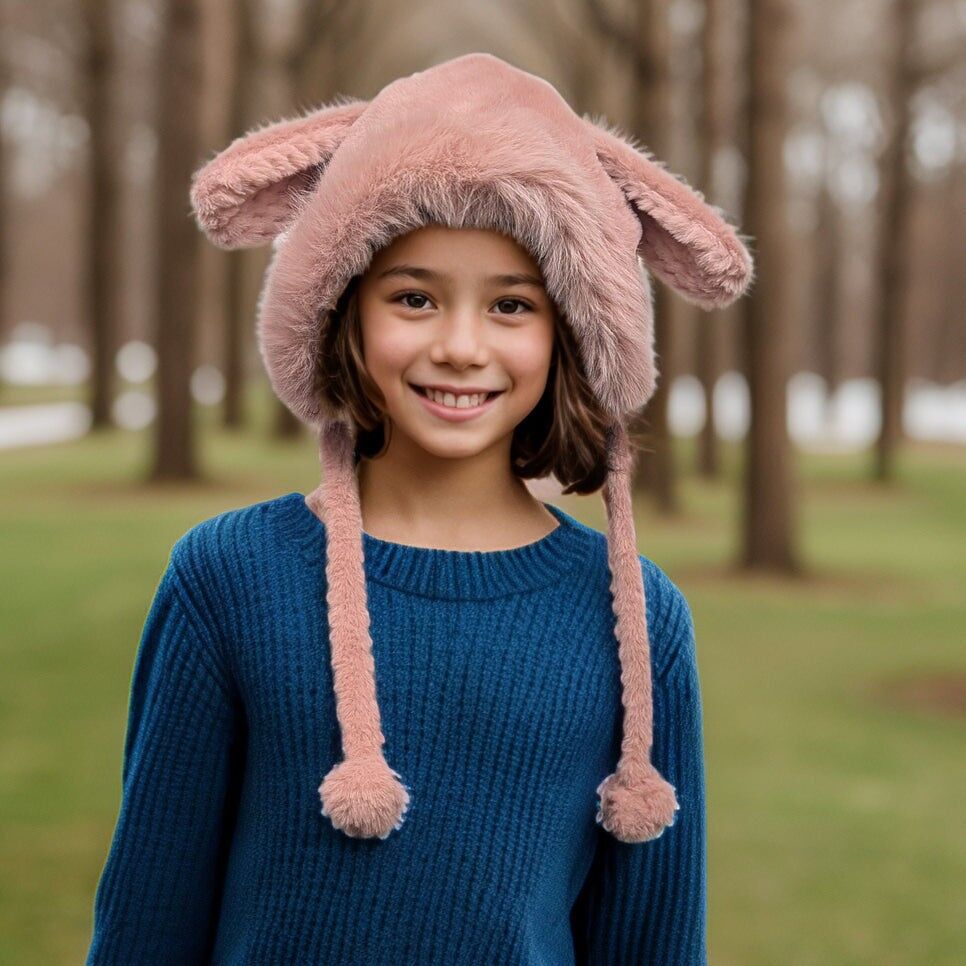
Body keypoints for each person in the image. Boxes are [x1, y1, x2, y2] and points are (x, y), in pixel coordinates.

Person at [86, 52, 753, 965]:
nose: (461, 346)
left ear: (573, 334)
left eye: (512, 305)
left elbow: (652, 941)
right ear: (342, 310)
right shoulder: (229, 579)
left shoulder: (636, 619)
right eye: (414, 297)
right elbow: (148, 916)